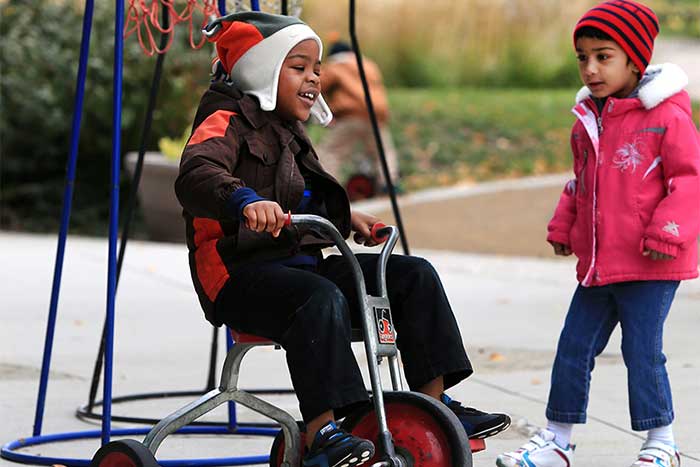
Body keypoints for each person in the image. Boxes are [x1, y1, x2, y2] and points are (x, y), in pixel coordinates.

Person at [175, 12, 510, 467]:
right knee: (318, 298)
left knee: (410, 276)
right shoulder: (224, 121)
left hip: (300, 263)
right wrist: (244, 202)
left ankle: (433, 406)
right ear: (261, 69)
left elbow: (302, 192)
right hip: (238, 274)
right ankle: (325, 431)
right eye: (299, 67)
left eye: (317, 68)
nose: (315, 77)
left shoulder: (290, 131)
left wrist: (348, 214)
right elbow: (197, 173)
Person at [496, 2, 700, 467]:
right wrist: (564, 224)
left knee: (641, 351)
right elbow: (581, 182)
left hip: (651, 262)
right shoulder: (588, 119)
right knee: (574, 346)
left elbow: (690, 182)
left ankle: (661, 442)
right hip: (598, 263)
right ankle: (557, 440)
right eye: (582, 57)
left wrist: (667, 233)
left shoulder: (667, 118)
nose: (590, 68)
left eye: (603, 56)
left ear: (635, 60)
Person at [315, 40, 401, 199]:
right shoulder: (368, 64)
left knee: (331, 152)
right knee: (383, 152)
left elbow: (317, 86)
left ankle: (327, 187)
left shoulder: (336, 65)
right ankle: (388, 183)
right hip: (377, 115)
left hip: (351, 115)